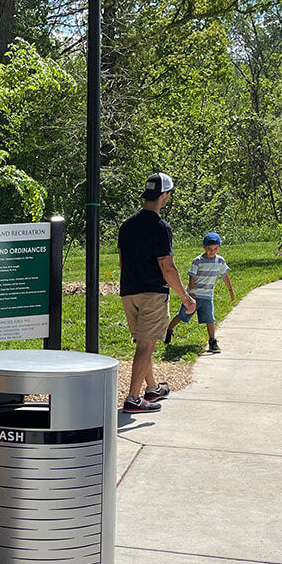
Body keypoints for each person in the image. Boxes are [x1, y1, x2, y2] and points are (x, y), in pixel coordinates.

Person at [119, 173, 193, 413]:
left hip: (129, 291)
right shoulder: (161, 227)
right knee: (145, 347)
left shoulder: (127, 225)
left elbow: (122, 261)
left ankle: (152, 388)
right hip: (152, 293)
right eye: (169, 194)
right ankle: (132, 399)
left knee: (143, 342)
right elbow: (167, 267)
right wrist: (185, 297)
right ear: (164, 195)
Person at [163, 232, 236, 353]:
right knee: (182, 315)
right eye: (209, 249)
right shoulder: (198, 260)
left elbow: (225, 276)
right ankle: (168, 331)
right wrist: (191, 294)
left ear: (219, 247)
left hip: (207, 296)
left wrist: (230, 290)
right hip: (194, 296)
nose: (212, 251)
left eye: (215, 249)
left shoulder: (220, 261)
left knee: (210, 318)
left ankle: (212, 341)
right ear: (204, 247)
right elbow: (192, 276)